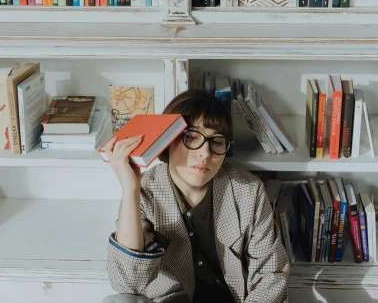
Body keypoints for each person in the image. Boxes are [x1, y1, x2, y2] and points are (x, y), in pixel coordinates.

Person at [103, 89, 289, 303]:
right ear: (168, 139)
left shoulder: (247, 190)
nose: (205, 153)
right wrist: (130, 190)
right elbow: (128, 283)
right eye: (192, 137)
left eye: (217, 142)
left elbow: (271, 274)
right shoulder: (146, 190)